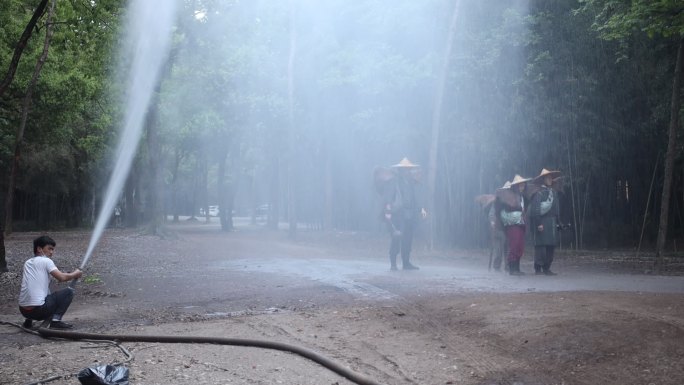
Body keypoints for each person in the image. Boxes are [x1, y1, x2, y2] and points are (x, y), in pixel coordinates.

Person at [18, 235, 82, 329]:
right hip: (38, 311)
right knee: (68, 292)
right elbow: (61, 278)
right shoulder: (46, 261)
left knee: (43, 292)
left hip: (23, 311)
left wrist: (69, 274)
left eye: (53, 249)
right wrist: (75, 274)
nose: (51, 252)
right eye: (49, 249)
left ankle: (28, 322)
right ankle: (56, 321)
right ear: (39, 249)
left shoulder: (27, 262)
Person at [382, 158, 427, 271]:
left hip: (410, 215)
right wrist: (388, 213)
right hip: (398, 215)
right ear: (400, 170)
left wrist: (420, 209)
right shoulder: (394, 182)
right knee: (396, 238)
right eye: (405, 170)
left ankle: (406, 263)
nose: (408, 172)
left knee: (408, 240)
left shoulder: (411, 183)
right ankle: (393, 264)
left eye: (409, 169)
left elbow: (414, 198)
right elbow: (388, 198)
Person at [529, 168, 562, 275]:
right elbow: (536, 209)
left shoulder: (553, 193)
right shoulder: (538, 193)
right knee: (541, 246)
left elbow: (556, 209)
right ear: (543, 179)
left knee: (551, 246)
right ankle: (538, 267)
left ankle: (547, 268)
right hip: (542, 222)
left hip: (552, 223)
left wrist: (558, 222)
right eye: (547, 178)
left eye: (550, 178)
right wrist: (538, 223)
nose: (549, 179)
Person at [496, 174, 530, 275]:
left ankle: (517, 268)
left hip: (521, 224)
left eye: (523, 185)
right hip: (512, 225)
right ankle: (512, 269)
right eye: (520, 185)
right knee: (514, 245)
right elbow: (500, 209)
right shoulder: (508, 197)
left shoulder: (522, 197)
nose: (522, 187)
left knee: (520, 246)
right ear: (515, 186)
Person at [488, 181, 510, 272]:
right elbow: (492, 213)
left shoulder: (511, 201)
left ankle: (508, 266)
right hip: (498, 228)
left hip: (508, 228)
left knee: (508, 249)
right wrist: (492, 222)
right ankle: (497, 267)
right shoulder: (497, 201)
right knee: (498, 249)